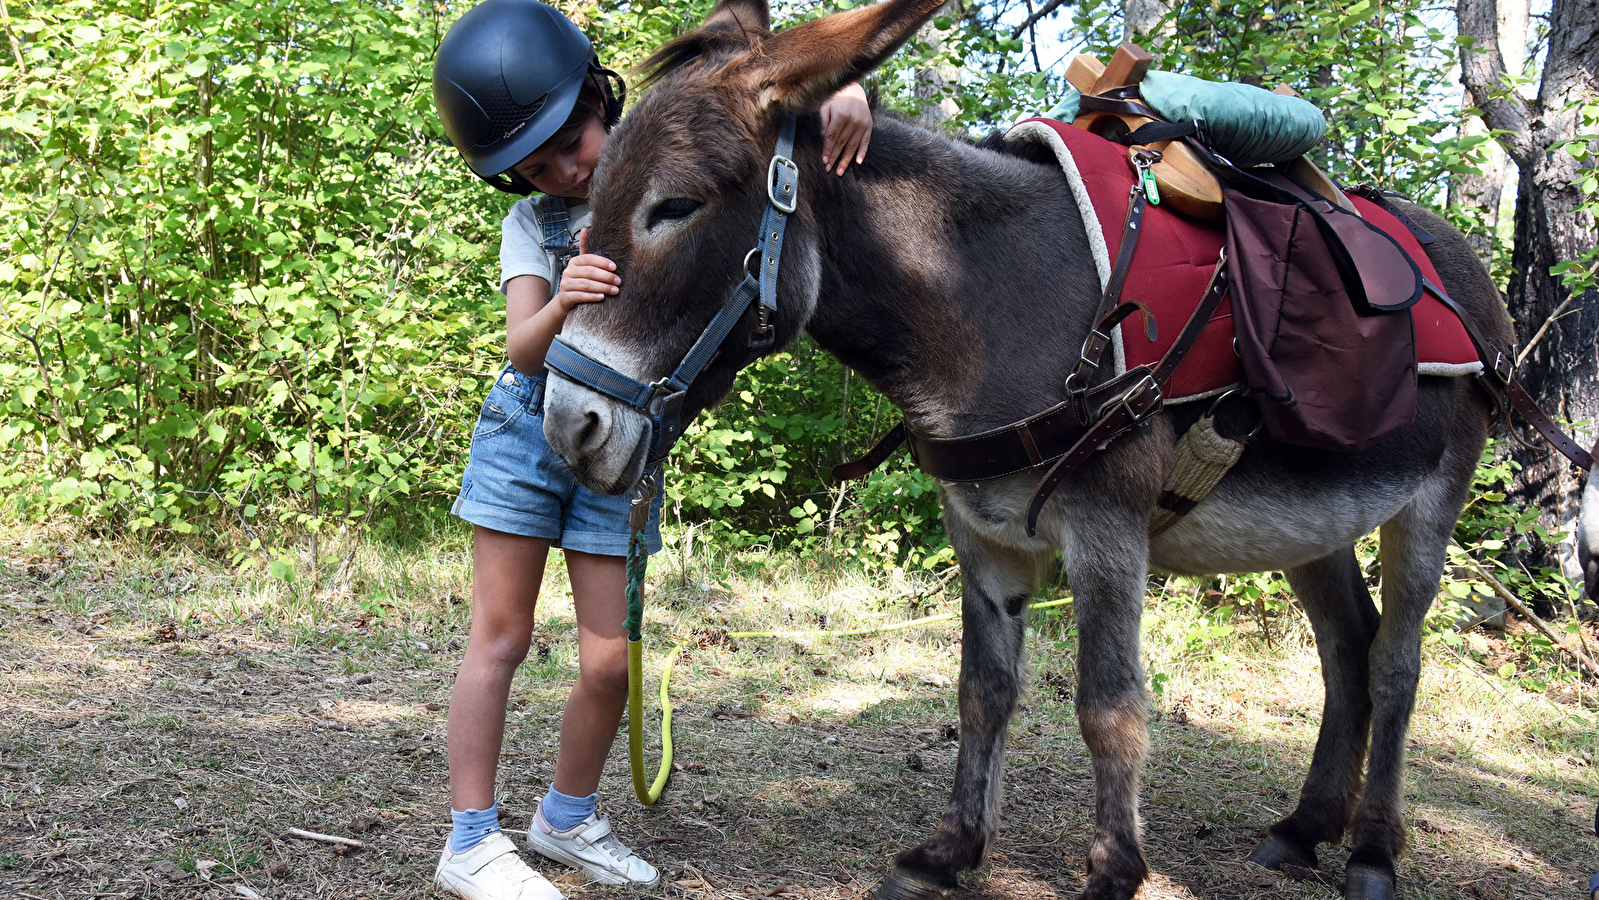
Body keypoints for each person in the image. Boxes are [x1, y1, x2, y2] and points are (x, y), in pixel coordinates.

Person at [430, 2, 873, 897]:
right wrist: (562, 301)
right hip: (526, 429)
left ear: (601, 101)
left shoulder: (656, 158)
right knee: (500, 638)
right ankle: (470, 840)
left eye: (572, 139)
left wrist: (847, 89)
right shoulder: (531, 230)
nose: (563, 168)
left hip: (623, 450)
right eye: (535, 162)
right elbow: (521, 348)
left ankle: (564, 816)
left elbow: (753, 101)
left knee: (609, 658)